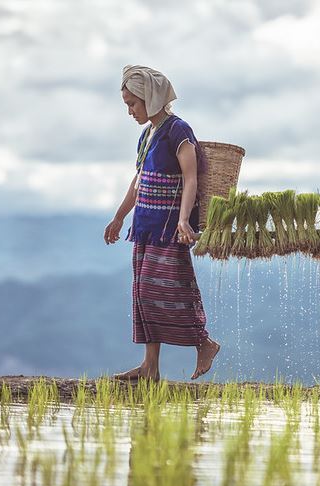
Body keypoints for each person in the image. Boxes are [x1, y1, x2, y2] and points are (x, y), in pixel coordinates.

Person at [104, 65, 220, 382]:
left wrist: (183, 220)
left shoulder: (178, 130)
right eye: (127, 104)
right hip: (145, 226)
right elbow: (138, 181)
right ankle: (149, 367)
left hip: (169, 229)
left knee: (173, 290)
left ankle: (204, 342)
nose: (130, 111)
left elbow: (190, 178)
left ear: (151, 98)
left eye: (133, 103)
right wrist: (119, 216)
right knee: (144, 295)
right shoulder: (147, 135)